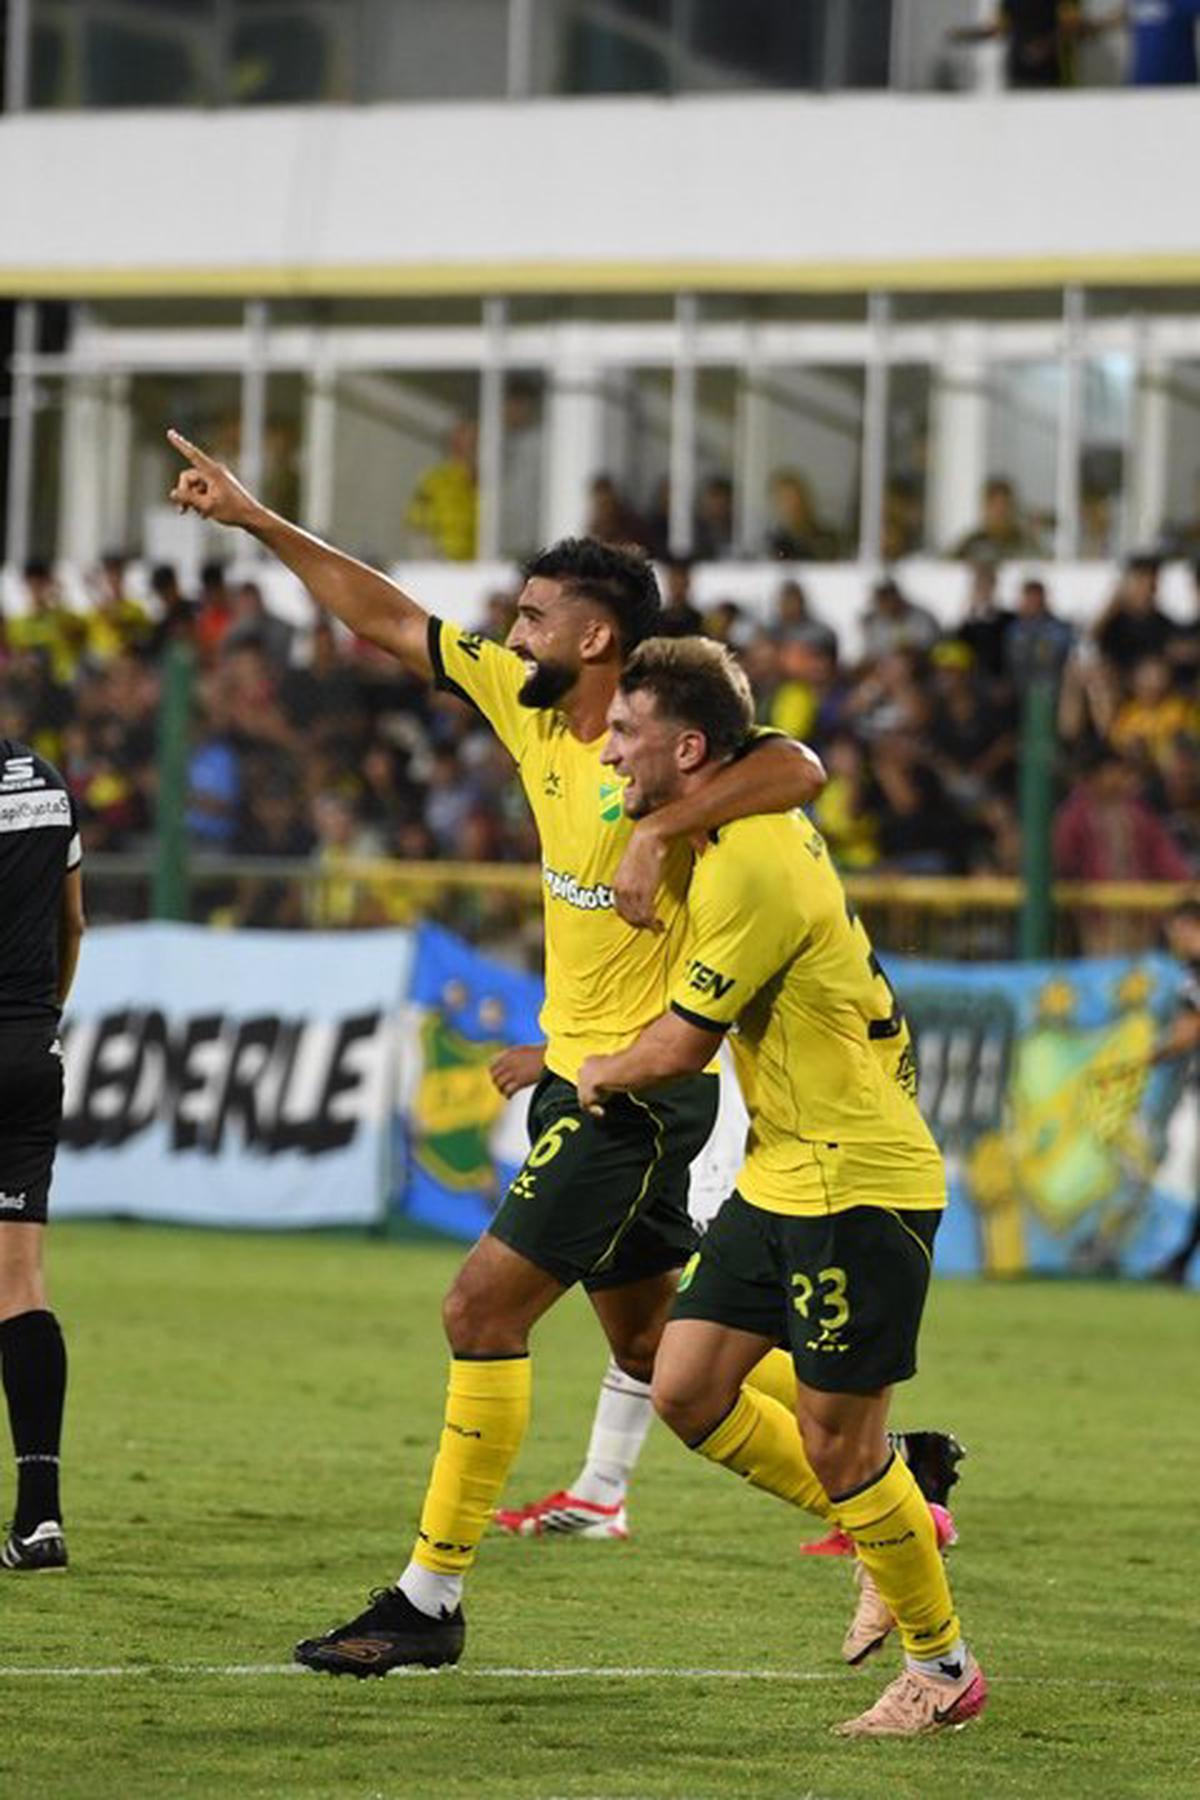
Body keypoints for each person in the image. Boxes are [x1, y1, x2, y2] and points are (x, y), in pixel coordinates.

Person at [165, 428, 826, 1676]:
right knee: (653, 1354)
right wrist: (256, 520)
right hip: (575, 1074)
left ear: (595, 640)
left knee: (480, 1306)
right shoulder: (533, 721)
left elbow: (798, 763)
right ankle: (888, 1478)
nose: (508, 635)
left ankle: (428, 1600)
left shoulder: (674, 748)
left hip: (635, 1100)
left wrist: (659, 828)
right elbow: (385, 616)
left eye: (532, 618)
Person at [575, 637, 986, 1738]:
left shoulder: (753, 861)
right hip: (784, 1175)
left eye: (627, 732)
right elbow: (791, 758)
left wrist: (595, 1068)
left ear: (692, 748)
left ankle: (942, 1668)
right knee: (685, 1386)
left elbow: (677, 1049)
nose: (608, 749)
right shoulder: (724, 818)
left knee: (837, 1441)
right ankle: (899, 1511)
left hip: (856, 1180)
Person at [0, 739, 86, 1571]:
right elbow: (74, 923)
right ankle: (39, 1520)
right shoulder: (47, 783)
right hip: (31, 1052)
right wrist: (38, 1022)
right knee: (19, 1284)